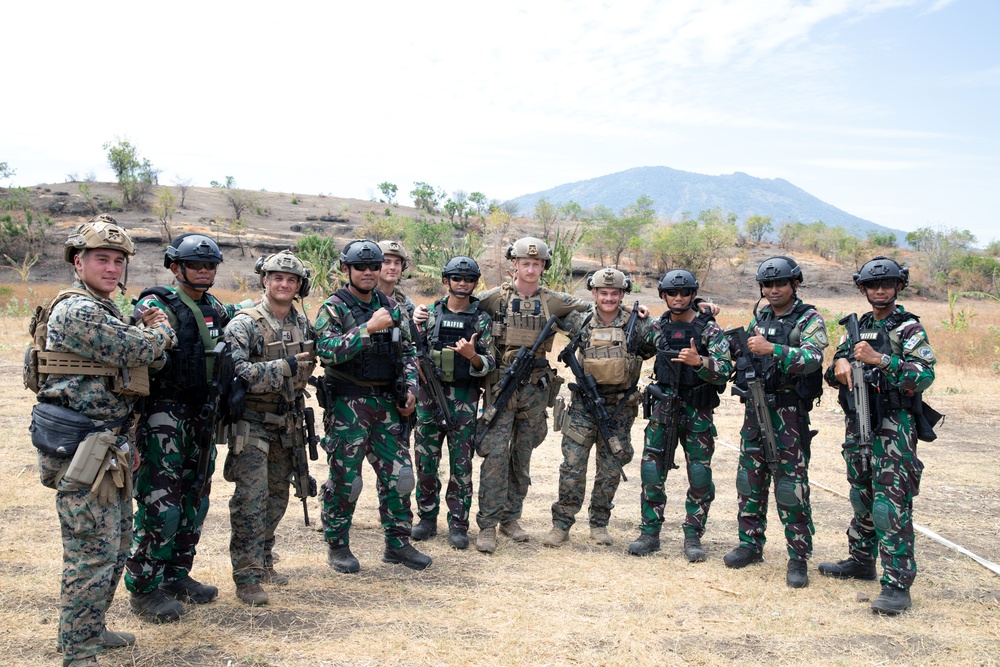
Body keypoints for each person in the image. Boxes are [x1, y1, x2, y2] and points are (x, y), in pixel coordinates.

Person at [29, 216, 176, 667]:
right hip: (82, 449)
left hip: (108, 447)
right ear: (79, 261)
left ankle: (91, 629)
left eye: (118, 261)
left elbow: (125, 347)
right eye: (101, 259)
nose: (111, 269)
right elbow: (139, 351)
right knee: (91, 554)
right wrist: (159, 330)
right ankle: (77, 651)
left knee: (114, 548)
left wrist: (138, 327)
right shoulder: (77, 309)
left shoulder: (105, 307)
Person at [125, 234, 243, 622]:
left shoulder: (216, 307)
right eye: (197, 265)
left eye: (211, 266)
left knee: (196, 499)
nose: (205, 271)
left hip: (202, 415)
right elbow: (136, 338)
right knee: (163, 504)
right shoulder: (156, 303)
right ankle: (144, 588)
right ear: (175, 267)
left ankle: (177, 575)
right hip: (164, 415)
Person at [818, 256, 937, 615]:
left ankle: (897, 585)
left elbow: (924, 375)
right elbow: (837, 363)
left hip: (893, 423)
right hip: (859, 419)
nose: (880, 290)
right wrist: (839, 363)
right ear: (863, 289)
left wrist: (881, 360)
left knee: (890, 503)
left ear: (899, 287)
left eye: (887, 284)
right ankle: (861, 560)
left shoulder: (909, 328)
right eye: (873, 285)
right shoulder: (858, 326)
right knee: (861, 493)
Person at [314, 239, 431, 572]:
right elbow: (326, 350)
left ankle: (398, 544)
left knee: (400, 477)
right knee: (346, 479)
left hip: (387, 404)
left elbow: (408, 352)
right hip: (348, 403)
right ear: (346, 269)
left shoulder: (392, 306)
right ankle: (338, 546)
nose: (368, 272)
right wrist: (366, 330)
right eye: (360, 267)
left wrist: (410, 388)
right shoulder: (334, 307)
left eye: (373, 267)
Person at [473, 236, 591, 553]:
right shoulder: (493, 298)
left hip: (535, 390)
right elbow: (458, 307)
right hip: (500, 388)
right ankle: (487, 525)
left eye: (536, 263)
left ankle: (511, 518)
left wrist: (641, 311)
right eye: (525, 262)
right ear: (515, 263)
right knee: (495, 458)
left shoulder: (553, 301)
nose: (530, 268)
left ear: (543, 266)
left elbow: (596, 310)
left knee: (521, 457)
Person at [723, 256, 827, 589]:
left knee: (790, 486)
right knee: (749, 480)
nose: (773, 290)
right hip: (755, 408)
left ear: (794, 284)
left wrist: (774, 350)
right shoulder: (762, 316)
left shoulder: (808, 319)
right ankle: (750, 544)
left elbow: (812, 359)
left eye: (780, 283)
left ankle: (798, 557)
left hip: (789, 414)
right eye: (767, 285)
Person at [223, 250, 317, 605]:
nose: (284, 284)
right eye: (277, 277)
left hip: (287, 421)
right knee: (251, 498)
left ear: (299, 286)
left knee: (277, 496)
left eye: (291, 280)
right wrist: (285, 367)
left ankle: (263, 558)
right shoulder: (244, 323)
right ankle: (246, 576)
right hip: (252, 423)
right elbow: (238, 375)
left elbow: (313, 363)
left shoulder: (303, 324)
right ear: (265, 280)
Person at [541, 267, 653, 547]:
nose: (609, 298)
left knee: (611, 468)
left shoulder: (637, 324)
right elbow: (546, 307)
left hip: (618, 410)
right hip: (583, 408)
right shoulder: (580, 320)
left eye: (615, 293)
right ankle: (561, 524)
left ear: (623, 294)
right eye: (604, 293)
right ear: (594, 293)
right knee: (572, 467)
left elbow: (659, 341)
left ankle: (599, 523)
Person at [627, 269, 732, 561]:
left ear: (693, 295)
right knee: (651, 473)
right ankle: (649, 533)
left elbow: (725, 369)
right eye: (672, 293)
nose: (678, 297)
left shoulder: (708, 329)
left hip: (697, 412)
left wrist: (700, 362)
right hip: (662, 411)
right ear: (663, 295)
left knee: (699, 477)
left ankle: (693, 536)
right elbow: (635, 343)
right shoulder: (658, 327)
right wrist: (634, 312)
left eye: (685, 293)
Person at [410, 256, 496, 549]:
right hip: (428, 399)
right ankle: (426, 519)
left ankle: (458, 525)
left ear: (475, 283)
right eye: (456, 278)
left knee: (461, 466)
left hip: (464, 400)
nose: (462, 284)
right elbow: (412, 351)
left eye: (468, 279)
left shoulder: (481, 318)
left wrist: (472, 355)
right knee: (425, 463)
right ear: (446, 281)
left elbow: (489, 363)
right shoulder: (429, 314)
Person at [377, 240, 417, 321]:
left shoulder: (406, 304)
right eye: (386, 262)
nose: (393, 267)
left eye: (397, 263)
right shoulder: (364, 300)